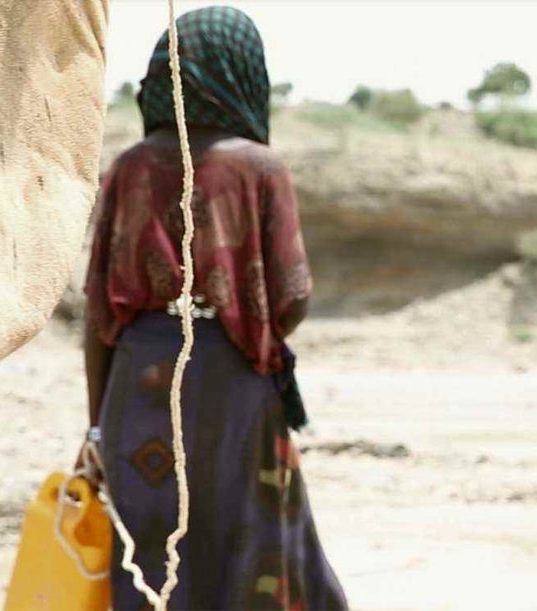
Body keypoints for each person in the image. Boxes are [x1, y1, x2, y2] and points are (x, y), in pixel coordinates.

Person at [82, 7, 347, 609]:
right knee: (247, 547)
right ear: (244, 74)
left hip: (138, 384)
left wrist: (96, 425)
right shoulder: (259, 168)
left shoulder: (128, 168)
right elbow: (294, 296)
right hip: (232, 383)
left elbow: (99, 314)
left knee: (146, 558)